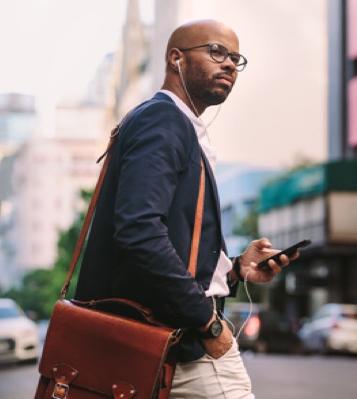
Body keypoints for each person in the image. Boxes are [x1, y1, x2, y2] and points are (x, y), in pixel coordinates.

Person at [75, 19, 298, 399]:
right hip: (178, 338)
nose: (229, 64)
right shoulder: (163, 120)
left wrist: (234, 268)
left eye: (235, 58)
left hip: (163, 338)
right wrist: (208, 322)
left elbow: (171, 241)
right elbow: (139, 231)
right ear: (175, 58)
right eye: (216, 51)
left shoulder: (176, 125)